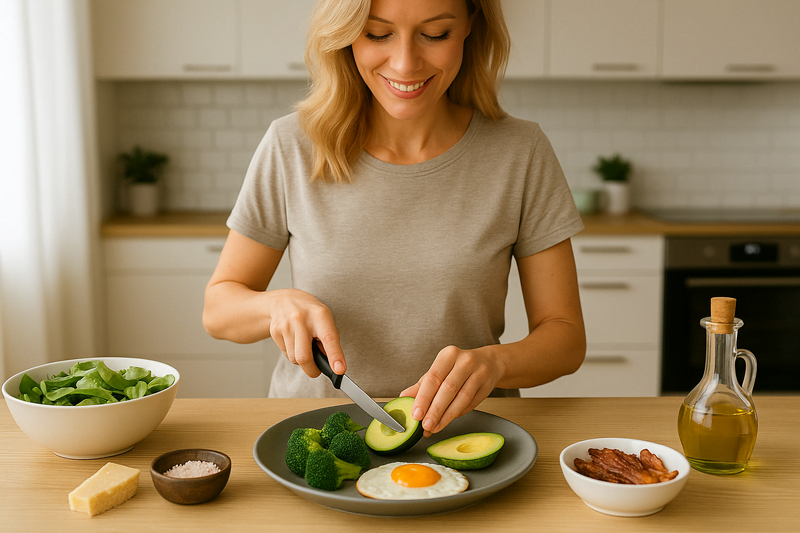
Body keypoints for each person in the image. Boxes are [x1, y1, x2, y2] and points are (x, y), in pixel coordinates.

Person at [203, 0, 586, 437]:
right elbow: (219, 309)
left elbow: (565, 337)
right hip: (316, 437)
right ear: (345, 34)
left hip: (465, 435)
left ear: (469, 27)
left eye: (435, 34)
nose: (405, 64)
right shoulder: (290, 146)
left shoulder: (520, 152)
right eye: (378, 34)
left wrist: (496, 363)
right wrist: (276, 305)